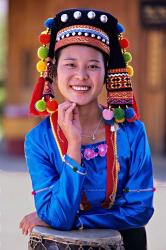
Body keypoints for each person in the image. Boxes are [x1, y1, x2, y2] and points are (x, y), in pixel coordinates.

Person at [19, 8, 155, 250]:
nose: (81, 75)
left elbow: (139, 210)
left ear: (106, 74)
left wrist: (77, 221)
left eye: (93, 66)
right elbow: (58, 218)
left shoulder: (133, 133)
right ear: (53, 70)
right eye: (70, 64)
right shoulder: (39, 140)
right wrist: (73, 144)